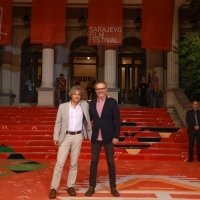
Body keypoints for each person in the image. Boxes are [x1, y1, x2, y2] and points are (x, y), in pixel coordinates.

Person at [49, 86, 92, 199]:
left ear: (81, 96)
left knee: (74, 163)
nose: (77, 96)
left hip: (78, 136)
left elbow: (97, 103)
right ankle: (53, 188)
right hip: (65, 137)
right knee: (60, 163)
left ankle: (70, 186)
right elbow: (58, 123)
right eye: (74, 94)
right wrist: (55, 137)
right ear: (71, 95)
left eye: (79, 94)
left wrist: (107, 97)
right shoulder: (63, 107)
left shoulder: (84, 105)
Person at [85, 81, 121, 197]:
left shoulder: (112, 102)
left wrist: (116, 136)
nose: (100, 91)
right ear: (95, 91)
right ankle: (92, 186)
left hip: (109, 136)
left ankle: (113, 187)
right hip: (96, 136)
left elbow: (118, 120)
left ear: (106, 89)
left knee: (110, 162)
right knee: (94, 162)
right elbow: (89, 117)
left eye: (102, 88)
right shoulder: (92, 103)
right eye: (97, 89)